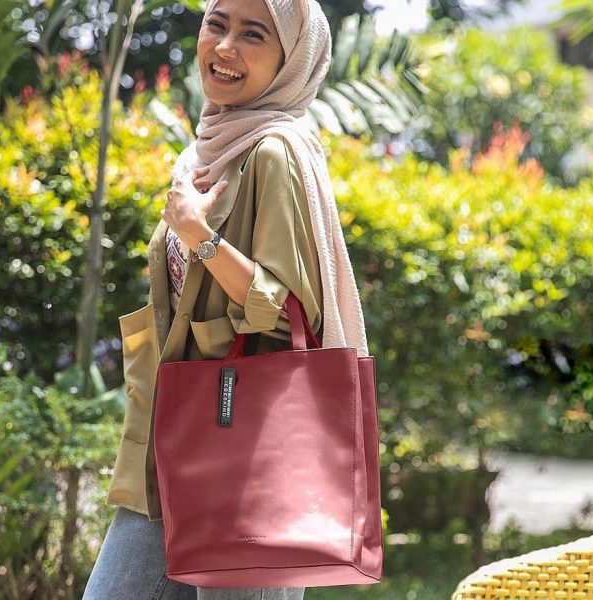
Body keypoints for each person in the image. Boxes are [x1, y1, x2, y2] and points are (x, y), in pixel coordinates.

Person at [82, 0, 368, 598]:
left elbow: (283, 310)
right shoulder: (208, 149)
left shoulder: (274, 152)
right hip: (175, 435)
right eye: (217, 24)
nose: (226, 46)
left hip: (246, 450)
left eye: (253, 34)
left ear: (291, 61)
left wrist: (199, 236)